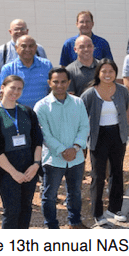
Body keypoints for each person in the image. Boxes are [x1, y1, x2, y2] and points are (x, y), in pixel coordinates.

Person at [0, 75, 44, 229]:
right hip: (6, 169)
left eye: (19, 88)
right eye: (12, 88)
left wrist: (36, 164)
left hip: (29, 166)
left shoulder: (27, 111)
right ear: (2, 88)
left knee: (26, 208)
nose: (15, 92)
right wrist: (13, 173)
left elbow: (37, 140)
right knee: (12, 210)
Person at [33, 67, 90, 229]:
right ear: (49, 83)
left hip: (76, 157)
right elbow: (44, 134)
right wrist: (62, 150)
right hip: (53, 159)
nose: (59, 85)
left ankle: (75, 222)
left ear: (69, 82)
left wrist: (75, 147)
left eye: (63, 81)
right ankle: (52, 226)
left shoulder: (78, 102)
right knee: (49, 196)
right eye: (55, 82)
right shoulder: (41, 106)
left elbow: (84, 127)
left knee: (75, 193)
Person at [80, 59, 129, 226]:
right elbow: (81, 115)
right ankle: (98, 212)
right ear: (98, 73)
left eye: (111, 71)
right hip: (98, 136)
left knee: (117, 172)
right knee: (98, 175)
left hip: (118, 134)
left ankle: (115, 208)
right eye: (104, 71)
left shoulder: (122, 90)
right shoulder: (89, 94)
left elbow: (124, 109)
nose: (107, 75)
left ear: (116, 73)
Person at [0, 35, 54, 107]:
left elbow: (52, 89)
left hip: (43, 112)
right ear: (16, 48)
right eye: (23, 46)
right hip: (18, 113)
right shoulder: (8, 69)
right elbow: (2, 94)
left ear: (36, 48)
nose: (27, 49)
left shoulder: (47, 65)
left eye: (31, 46)